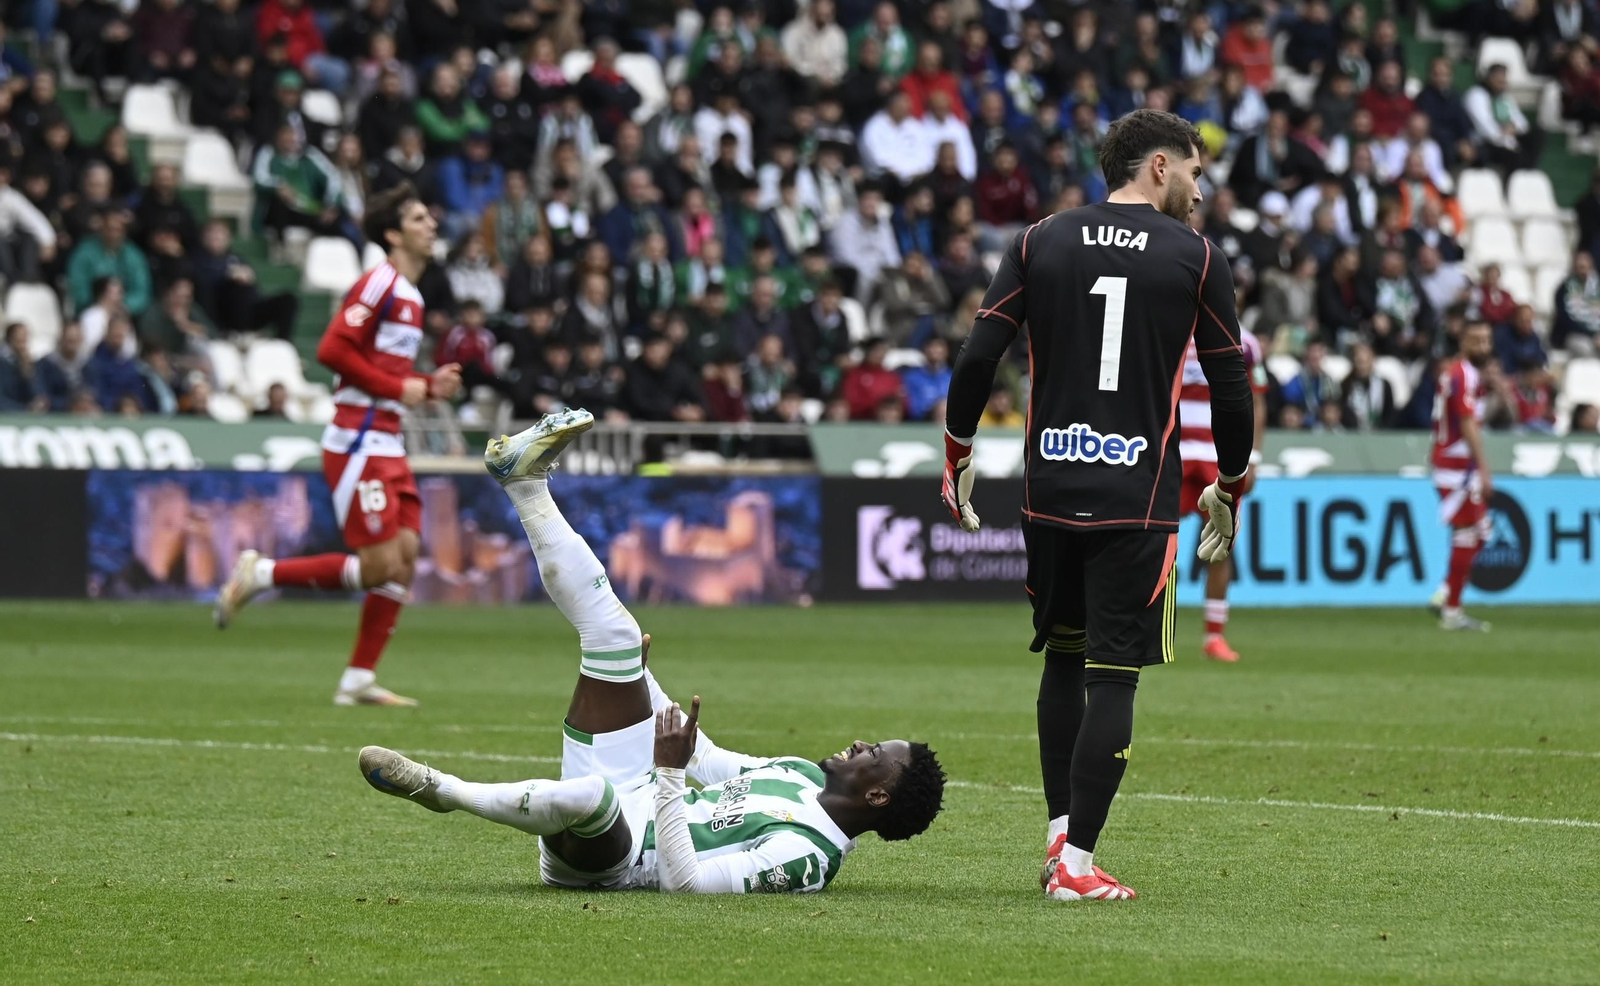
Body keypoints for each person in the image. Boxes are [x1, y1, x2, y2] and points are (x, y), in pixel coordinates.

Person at [358, 410, 946, 891]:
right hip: (637, 789)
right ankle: (524, 482)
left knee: (593, 797)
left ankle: (438, 789)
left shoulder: (808, 856)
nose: (862, 742)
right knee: (614, 636)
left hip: (614, 858)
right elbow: (704, 758)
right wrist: (643, 678)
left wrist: (666, 772)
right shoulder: (797, 773)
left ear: (878, 794)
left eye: (876, 753)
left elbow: (685, 884)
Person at [940, 109, 1253, 900]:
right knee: (1113, 676)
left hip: (1049, 486)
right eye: (1194, 173)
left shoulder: (1039, 239)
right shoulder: (1197, 257)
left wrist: (958, 449)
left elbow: (979, 354)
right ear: (1158, 167)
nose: (1199, 190)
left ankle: (1059, 838)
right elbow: (1230, 384)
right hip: (1134, 495)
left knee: (1062, 657)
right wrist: (1230, 483)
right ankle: (1076, 867)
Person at [214, 185, 463, 706]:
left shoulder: (412, 296)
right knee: (377, 566)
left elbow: (384, 371)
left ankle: (358, 679)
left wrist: (426, 384)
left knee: (405, 556)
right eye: (419, 218)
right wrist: (399, 387)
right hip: (358, 440)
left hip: (388, 440)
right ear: (393, 234)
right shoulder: (378, 283)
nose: (432, 225)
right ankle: (262, 573)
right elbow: (332, 349)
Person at [1176, 301, 1268, 662]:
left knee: (1221, 544)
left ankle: (1214, 636)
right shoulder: (1168, 323)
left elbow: (1257, 401)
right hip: (1172, 449)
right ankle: (1139, 627)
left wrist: (1253, 458)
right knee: (1150, 541)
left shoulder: (1246, 341)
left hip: (1219, 454)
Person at [1427, 319, 1496, 633]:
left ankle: (1446, 592)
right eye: (1476, 340)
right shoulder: (1464, 373)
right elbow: (1467, 423)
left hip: (1454, 462)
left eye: (1487, 340)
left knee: (1482, 530)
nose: (1483, 346)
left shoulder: (1457, 372)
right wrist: (1484, 467)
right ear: (1463, 342)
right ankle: (1452, 611)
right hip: (1457, 465)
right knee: (1468, 532)